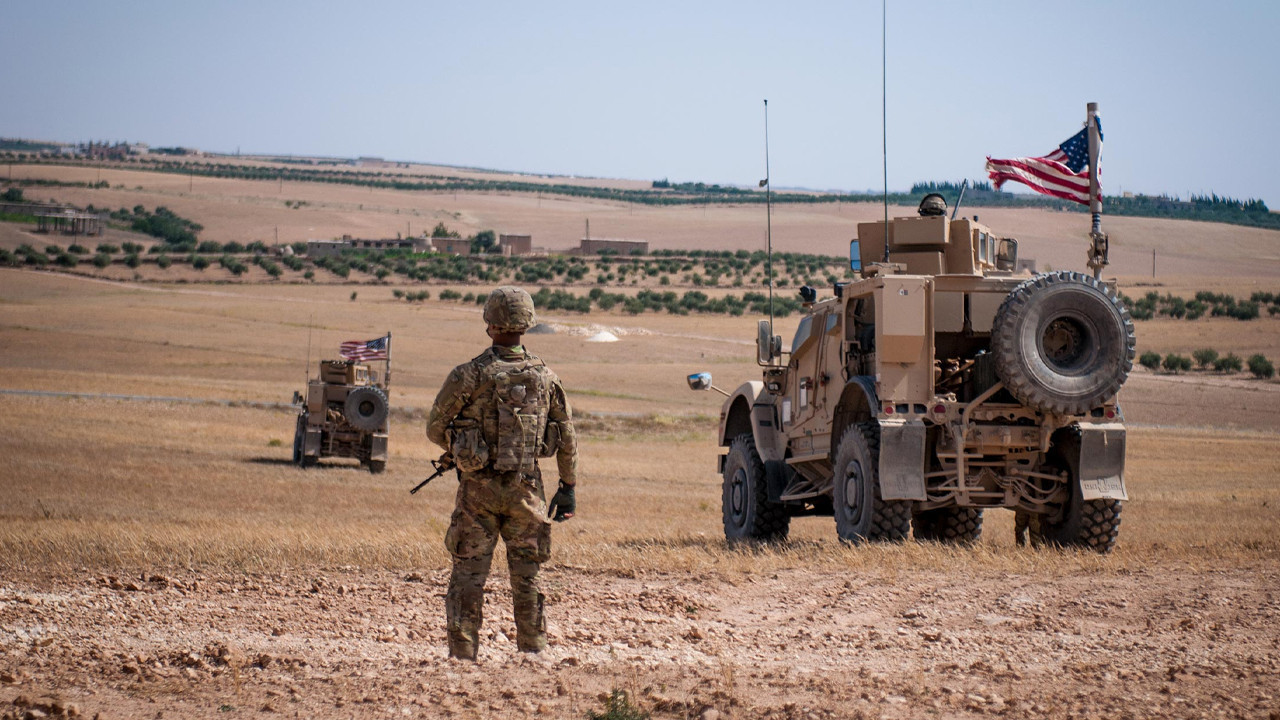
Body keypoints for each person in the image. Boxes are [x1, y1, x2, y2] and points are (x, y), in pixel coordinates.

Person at [426, 286, 578, 660]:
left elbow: (434, 427)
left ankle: (462, 657)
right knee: (527, 578)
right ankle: (533, 653)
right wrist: (568, 486)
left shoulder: (469, 375)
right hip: (527, 490)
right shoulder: (546, 377)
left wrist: (462, 449)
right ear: (528, 324)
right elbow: (567, 435)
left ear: (489, 324)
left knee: (468, 576)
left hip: (478, 491)